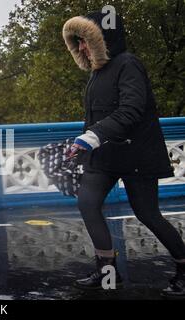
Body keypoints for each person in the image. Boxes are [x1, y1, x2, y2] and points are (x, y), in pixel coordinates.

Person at [62, 12, 185, 297]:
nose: (81, 48)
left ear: (102, 39)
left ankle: (183, 267)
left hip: (136, 154)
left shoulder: (128, 64)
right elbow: (95, 116)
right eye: (78, 43)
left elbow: (131, 110)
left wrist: (91, 136)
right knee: (87, 203)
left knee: (148, 214)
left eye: (85, 41)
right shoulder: (96, 72)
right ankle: (108, 273)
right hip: (104, 155)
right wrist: (82, 144)